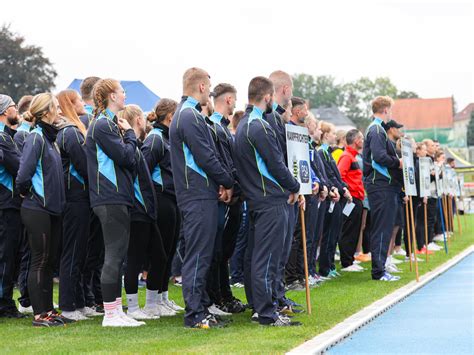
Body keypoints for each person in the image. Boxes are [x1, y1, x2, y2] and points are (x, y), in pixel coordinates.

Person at [169, 68, 234, 329]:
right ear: (202, 87)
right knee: (198, 254)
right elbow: (206, 155)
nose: (210, 91)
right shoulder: (188, 116)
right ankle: (195, 314)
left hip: (200, 192)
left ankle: (202, 307)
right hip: (196, 194)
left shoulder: (191, 114)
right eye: (209, 86)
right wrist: (227, 181)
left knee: (203, 254)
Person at [234, 76, 301, 327]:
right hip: (269, 199)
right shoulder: (259, 126)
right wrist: (295, 187)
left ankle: (266, 308)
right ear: (268, 96)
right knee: (268, 259)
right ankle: (266, 313)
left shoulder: (244, 124)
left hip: (257, 199)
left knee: (262, 258)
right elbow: (276, 164)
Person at [85, 79, 142, 327]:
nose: (124, 94)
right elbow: (128, 157)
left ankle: (116, 311)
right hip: (109, 197)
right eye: (121, 91)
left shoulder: (108, 123)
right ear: (111, 96)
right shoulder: (103, 125)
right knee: (114, 255)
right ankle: (110, 314)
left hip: (116, 196)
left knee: (117, 256)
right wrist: (130, 133)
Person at [16, 93, 68, 326]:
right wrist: (28, 193)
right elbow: (23, 175)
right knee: (40, 259)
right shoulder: (35, 137)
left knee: (49, 261)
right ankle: (39, 314)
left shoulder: (50, 138)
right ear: (46, 112)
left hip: (52, 209)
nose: (59, 111)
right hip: (37, 208)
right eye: (56, 107)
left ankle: (49, 309)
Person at [118, 104, 168, 321]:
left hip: (146, 209)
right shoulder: (129, 146)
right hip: (136, 209)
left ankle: (151, 303)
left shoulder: (136, 145)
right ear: (138, 120)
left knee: (159, 256)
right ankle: (132, 306)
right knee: (135, 259)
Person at [56, 90, 101, 320]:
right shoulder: (70, 132)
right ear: (71, 105)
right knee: (72, 253)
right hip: (74, 198)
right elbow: (84, 166)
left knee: (81, 253)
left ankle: (80, 301)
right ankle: (68, 306)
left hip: (80, 197)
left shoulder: (73, 131)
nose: (85, 104)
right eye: (80, 101)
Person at [142, 98, 184, 315]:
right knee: (159, 253)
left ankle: (162, 297)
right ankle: (151, 302)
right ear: (170, 117)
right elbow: (143, 170)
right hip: (161, 198)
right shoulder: (155, 139)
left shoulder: (167, 138)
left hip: (172, 198)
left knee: (169, 250)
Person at [208, 83, 245, 314]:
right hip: (223, 196)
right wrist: (228, 185)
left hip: (234, 194)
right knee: (217, 250)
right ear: (229, 99)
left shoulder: (221, 127)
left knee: (225, 251)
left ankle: (224, 294)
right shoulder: (212, 126)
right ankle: (216, 297)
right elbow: (219, 160)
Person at [362, 96, 403, 282]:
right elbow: (378, 157)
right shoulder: (376, 129)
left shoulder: (376, 128)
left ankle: (381, 268)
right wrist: (398, 162)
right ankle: (378, 272)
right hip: (380, 184)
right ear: (385, 109)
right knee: (381, 228)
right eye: (391, 110)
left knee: (384, 228)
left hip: (385, 185)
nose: (391, 114)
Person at [0, 94, 25, 319]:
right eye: (13, 107)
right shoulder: (3, 138)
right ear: (5, 111)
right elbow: (18, 166)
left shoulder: (7, 136)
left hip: (7, 203)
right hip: (7, 204)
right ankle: (4, 305)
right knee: (6, 256)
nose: (17, 110)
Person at [318, 121, 351, 278]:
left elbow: (335, 175)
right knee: (328, 234)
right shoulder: (321, 153)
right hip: (331, 197)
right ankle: (324, 267)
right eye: (331, 133)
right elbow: (328, 176)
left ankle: (330, 265)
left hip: (337, 196)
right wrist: (339, 189)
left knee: (334, 234)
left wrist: (344, 188)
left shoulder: (327, 153)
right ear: (325, 135)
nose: (334, 135)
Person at [337, 129, 365, 272]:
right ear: (356, 141)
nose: (363, 140)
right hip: (351, 199)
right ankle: (346, 262)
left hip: (356, 198)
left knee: (354, 230)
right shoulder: (347, 156)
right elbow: (339, 176)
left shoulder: (352, 156)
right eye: (361, 138)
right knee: (348, 230)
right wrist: (348, 192)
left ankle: (350, 259)